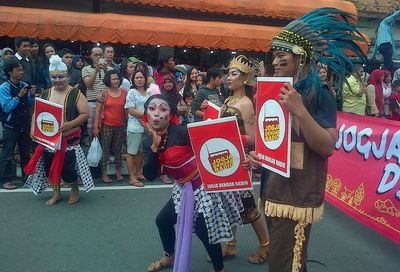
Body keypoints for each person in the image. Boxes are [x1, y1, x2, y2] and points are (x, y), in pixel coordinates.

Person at [248, 8, 365, 272]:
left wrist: (299, 109)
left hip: (296, 195)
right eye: (274, 56)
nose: (275, 62)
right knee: (285, 264)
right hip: (272, 189)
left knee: (286, 265)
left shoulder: (319, 93)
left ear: (300, 58)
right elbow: (272, 141)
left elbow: (327, 146)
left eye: (281, 56)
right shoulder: (274, 92)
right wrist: (259, 158)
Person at [143, 94, 243, 272]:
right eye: (152, 109)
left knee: (204, 231)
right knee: (163, 221)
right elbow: (149, 175)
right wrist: (154, 148)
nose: (157, 114)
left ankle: (219, 269)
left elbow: (213, 142)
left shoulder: (182, 131)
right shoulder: (148, 141)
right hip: (182, 189)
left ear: (171, 114)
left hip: (203, 186)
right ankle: (169, 257)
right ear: (146, 114)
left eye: (163, 109)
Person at [218, 55, 269, 264]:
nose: (228, 78)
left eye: (233, 74)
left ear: (245, 78)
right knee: (228, 203)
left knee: (247, 205)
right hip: (227, 158)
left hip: (241, 160)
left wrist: (226, 135)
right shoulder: (229, 100)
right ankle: (230, 244)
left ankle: (266, 245)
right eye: (228, 73)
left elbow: (254, 138)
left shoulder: (246, 103)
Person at [24, 55, 94, 205]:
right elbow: (37, 113)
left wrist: (70, 124)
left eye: (61, 76)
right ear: (50, 77)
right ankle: (56, 193)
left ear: (67, 76)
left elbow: (85, 114)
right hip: (48, 139)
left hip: (68, 138)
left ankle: (74, 189)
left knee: (68, 170)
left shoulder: (75, 93)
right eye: (54, 77)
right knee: (50, 167)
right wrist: (32, 128)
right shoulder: (45, 93)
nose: (58, 80)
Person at [0, 58, 36, 190]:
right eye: (18, 70)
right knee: (8, 153)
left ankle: (27, 177)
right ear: (10, 72)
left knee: (25, 152)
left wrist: (32, 96)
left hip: (24, 123)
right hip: (10, 125)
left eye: (22, 70)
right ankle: (5, 180)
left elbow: (30, 104)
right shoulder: (4, 87)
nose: (21, 72)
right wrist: (19, 96)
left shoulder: (24, 84)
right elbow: (6, 107)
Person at [93, 70, 127, 183]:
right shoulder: (104, 93)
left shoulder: (124, 92)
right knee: (106, 150)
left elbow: (126, 110)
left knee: (118, 150)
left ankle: (118, 171)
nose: (116, 81)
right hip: (106, 125)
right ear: (109, 80)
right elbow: (97, 111)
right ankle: (104, 173)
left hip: (121, 125)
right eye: (113, 79)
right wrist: (96, 127)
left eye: (117, 79)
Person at [124, 70, 150, 187]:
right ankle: (131, 177)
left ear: (145, 79)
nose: (139, 79)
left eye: (141, 77)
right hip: (135, 126)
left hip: (147, 126)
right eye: (137, 78)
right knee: (131, 152)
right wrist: (145, 117)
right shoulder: (132, 92)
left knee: (141, 151)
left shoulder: (149, 92)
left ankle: (138, 173)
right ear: (133, 80)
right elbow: (130, 109)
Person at [82, 46, 113, 138]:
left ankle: (104, 148)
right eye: (96, 55)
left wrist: (106, 70)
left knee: (106, 126)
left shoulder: (110, 69)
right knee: (92, 127)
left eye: (100, 55)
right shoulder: (86, 69)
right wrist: (96, 70)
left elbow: (113, 85)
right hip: (92, 102)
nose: (98, 57)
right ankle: (93, 147)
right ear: (91, 56)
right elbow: (89, 85)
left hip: (107, 102)